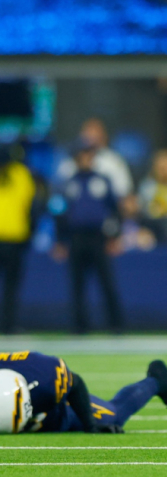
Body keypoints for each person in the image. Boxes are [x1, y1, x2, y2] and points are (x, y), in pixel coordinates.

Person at [0, 350, 167, 434]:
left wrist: (91, 426)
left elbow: (75, 383)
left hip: (59, 411)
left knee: (112, 416)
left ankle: (156, 381)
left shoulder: (45, 377)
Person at [51, 140, 124, 335]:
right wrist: (60, 241)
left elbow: (115, 210)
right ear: (76, 158)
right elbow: (59, 213)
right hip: (76, 237)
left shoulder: (102, 180)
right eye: (81, 155)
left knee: (106, 282)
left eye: (88, 155)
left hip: (98, 237)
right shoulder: (68, 183)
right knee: (77, 284)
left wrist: (115, 236)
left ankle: (116, 324)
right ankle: (80, 326)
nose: (85, 158)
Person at [0, 142, 41, 334]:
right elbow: (32, 205)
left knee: (11, 284)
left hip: (13, 238)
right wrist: (31, 231)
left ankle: (8, 324)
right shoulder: (21, 173)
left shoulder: (21, 173)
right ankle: (8, 325)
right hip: (15, 238)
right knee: (11, 285)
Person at [58, 118, 134, 200]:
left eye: (95, 132)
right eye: (88, 132)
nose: (91, 136)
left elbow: (124, 192)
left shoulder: (114, 162)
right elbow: (59, 188)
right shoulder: (69, 162)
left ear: (104, 136)